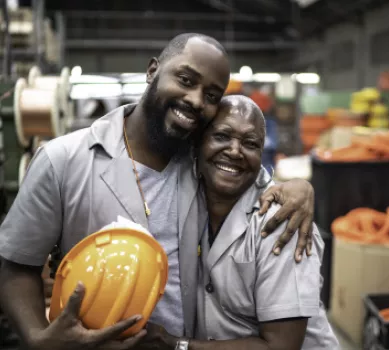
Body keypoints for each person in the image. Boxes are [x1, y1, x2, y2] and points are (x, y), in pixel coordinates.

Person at [0, 33, 316, 350]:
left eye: (211, 95)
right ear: (153, 71)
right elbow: (16, 265)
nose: (195, 99)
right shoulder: (64, 161)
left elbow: (251, 176)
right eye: (186, 79)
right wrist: (37, 337)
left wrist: (300, 189)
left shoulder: (201, 159)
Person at [144, 95, 339, 349]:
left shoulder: (281, 222)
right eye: (222, 137)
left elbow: (280, 346)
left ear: (261, 155)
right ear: (198, 145)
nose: (235, 151)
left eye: (250, 143)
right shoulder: (188, 199)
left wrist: (177, 345)